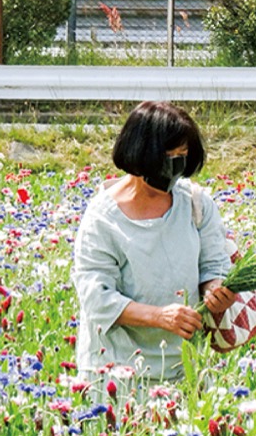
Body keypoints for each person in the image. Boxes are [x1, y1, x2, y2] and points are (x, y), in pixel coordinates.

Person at [72, 102, 235, 389]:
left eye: (182, 156)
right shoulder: (102, 218)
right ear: (140, 154)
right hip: (116, 372)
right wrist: (159, 317)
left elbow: (214, 265)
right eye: (168, 156)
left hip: (184, 366)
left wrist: (215, 292)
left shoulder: (196, 204)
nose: (176, 165)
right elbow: (96, 298)